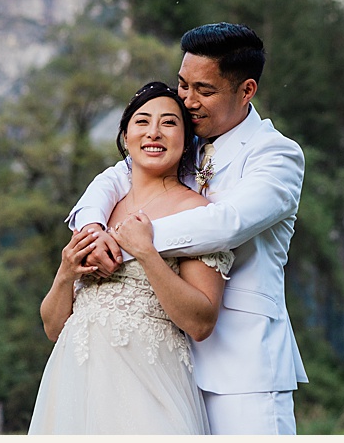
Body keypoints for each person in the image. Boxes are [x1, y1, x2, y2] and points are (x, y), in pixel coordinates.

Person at [62, 23, 308, 434]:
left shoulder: (277, 155)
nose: (187, 101)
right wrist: (91, 230)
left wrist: (128, 243)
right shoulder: (183, 142)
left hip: (242, 371)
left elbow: (227, 224)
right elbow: (111, 179)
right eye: (182, 85)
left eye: (204, 91)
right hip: (163, 365)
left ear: (246, 91)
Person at [28, 82, 232, 434]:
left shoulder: (197, 212)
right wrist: (65, 272)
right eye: (142, 122)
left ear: (186, 141)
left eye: (169, 123)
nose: (153, 132)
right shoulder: (99, 215)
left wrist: (146, 253)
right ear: (125, 137)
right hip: (75, 388)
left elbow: (201, 322)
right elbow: (52, 328)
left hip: (148, 388)